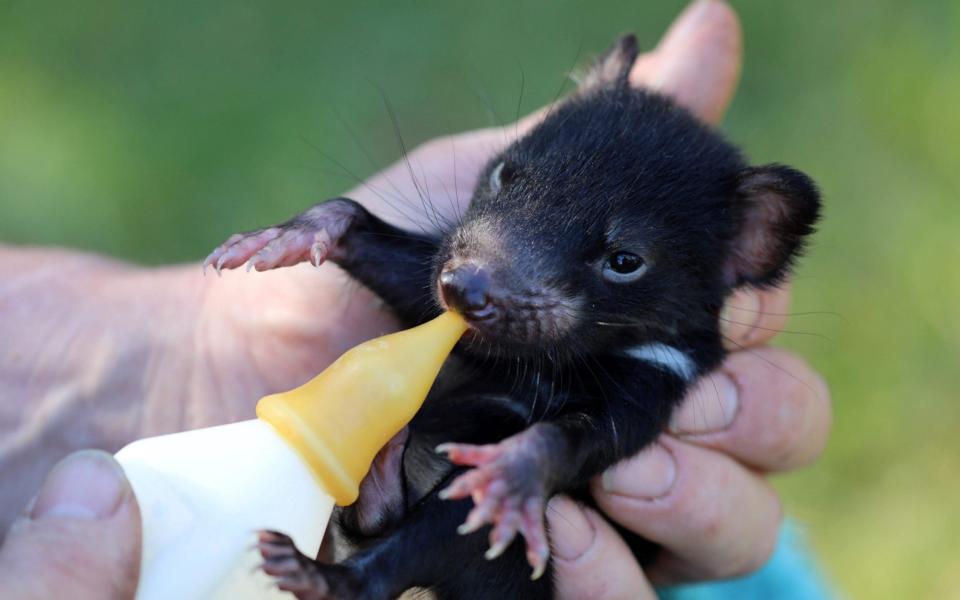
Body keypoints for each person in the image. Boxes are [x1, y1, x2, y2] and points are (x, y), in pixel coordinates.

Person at [0, 1, 833, 598]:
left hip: (509, 552)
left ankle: (360, 578)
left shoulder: (662, 358)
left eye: (619, 261)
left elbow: (597, 435)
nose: (481, 274)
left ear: (740, 252)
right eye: (509, 182)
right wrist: (346, 230)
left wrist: (536, 460)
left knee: (481, 527)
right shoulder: (482, 283)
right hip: (384, 465)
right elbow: (426, 295)